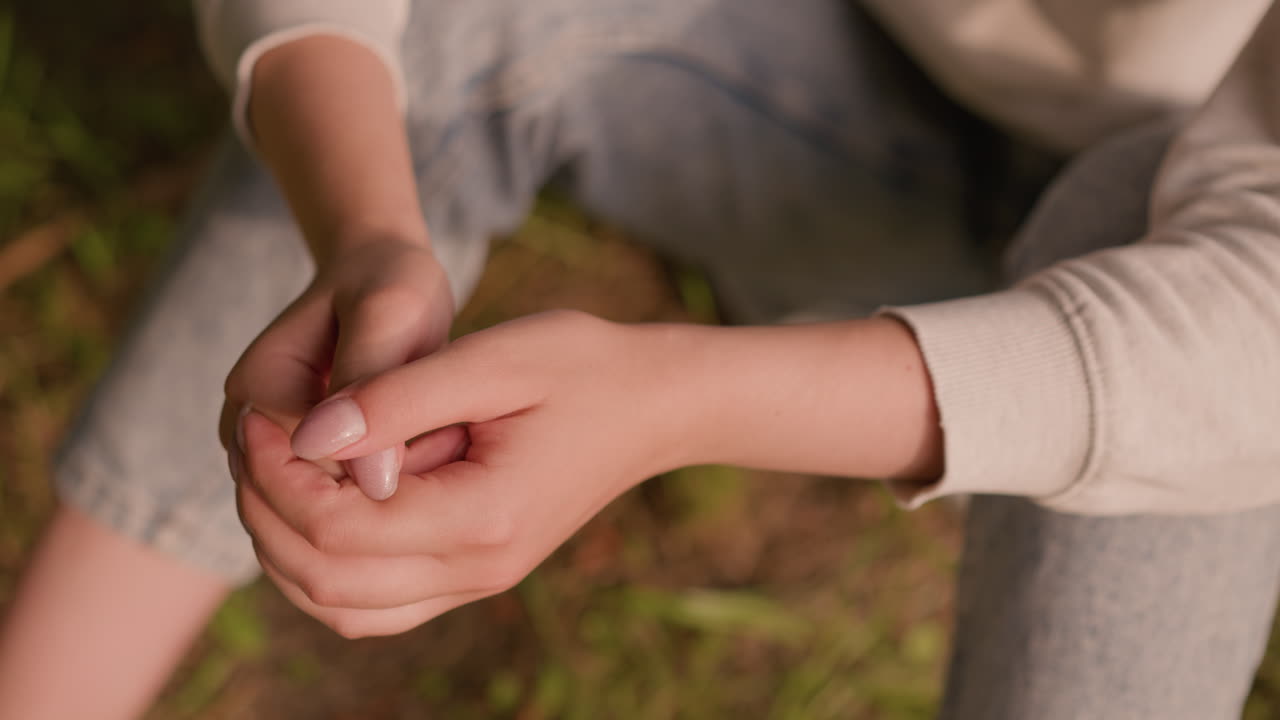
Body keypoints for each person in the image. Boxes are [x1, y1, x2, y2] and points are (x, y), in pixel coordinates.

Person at [3, 0, 1280, 718]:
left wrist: (673, 401)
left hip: (1205, 276)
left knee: (1135, 232)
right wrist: (367, 230)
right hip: (844, 83)